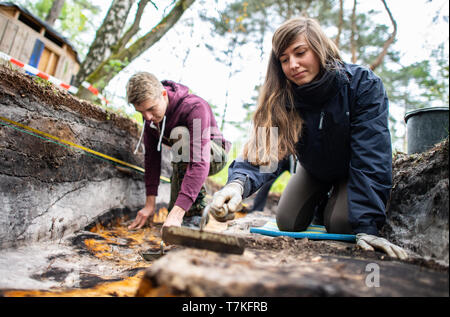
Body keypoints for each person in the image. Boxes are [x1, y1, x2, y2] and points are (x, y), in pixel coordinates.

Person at [209, 17, 408, 260]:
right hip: (312, 168)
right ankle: (323, 203)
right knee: (287, 221)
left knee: (343, 224)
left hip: (352, 169)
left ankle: (334, 206)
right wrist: (236, 185)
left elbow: (372, 155)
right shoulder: (282, 98)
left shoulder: (362, 85)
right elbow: (264, 151)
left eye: (300, 52)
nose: (293, 64)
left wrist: (367, 227)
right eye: (284, 59)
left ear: (320, 48)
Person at [126, 72, 231, 229]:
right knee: (180, 156)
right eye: (141, 112)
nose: (147, 117)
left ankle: (194, 214)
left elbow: (199, 162)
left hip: (213, 156)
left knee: (180, 134)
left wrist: (176, 214)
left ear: (163, 94)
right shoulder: (150, 118)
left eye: (150, 109)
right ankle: (183, 216)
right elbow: (152, 160)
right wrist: (150, 205)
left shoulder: (194, 107)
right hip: (184, 156)